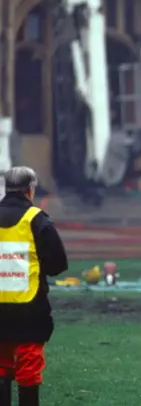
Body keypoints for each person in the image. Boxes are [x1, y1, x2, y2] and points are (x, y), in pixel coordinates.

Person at [0, 166, 68, 406]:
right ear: (30, 190)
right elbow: (58, 264)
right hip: (29, 310)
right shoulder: (36, 220)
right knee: (28, 367)